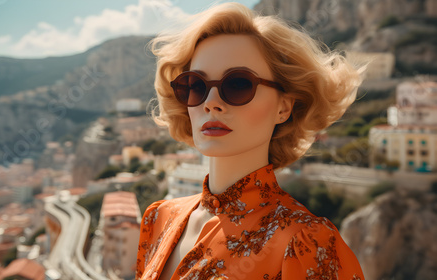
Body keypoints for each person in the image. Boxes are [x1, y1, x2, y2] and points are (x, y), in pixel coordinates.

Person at [136, 2, 365, 280]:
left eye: (238, 84)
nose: (211, 103)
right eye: (196, 85)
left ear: (284, 107)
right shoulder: (158, 219)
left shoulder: (308, 242)